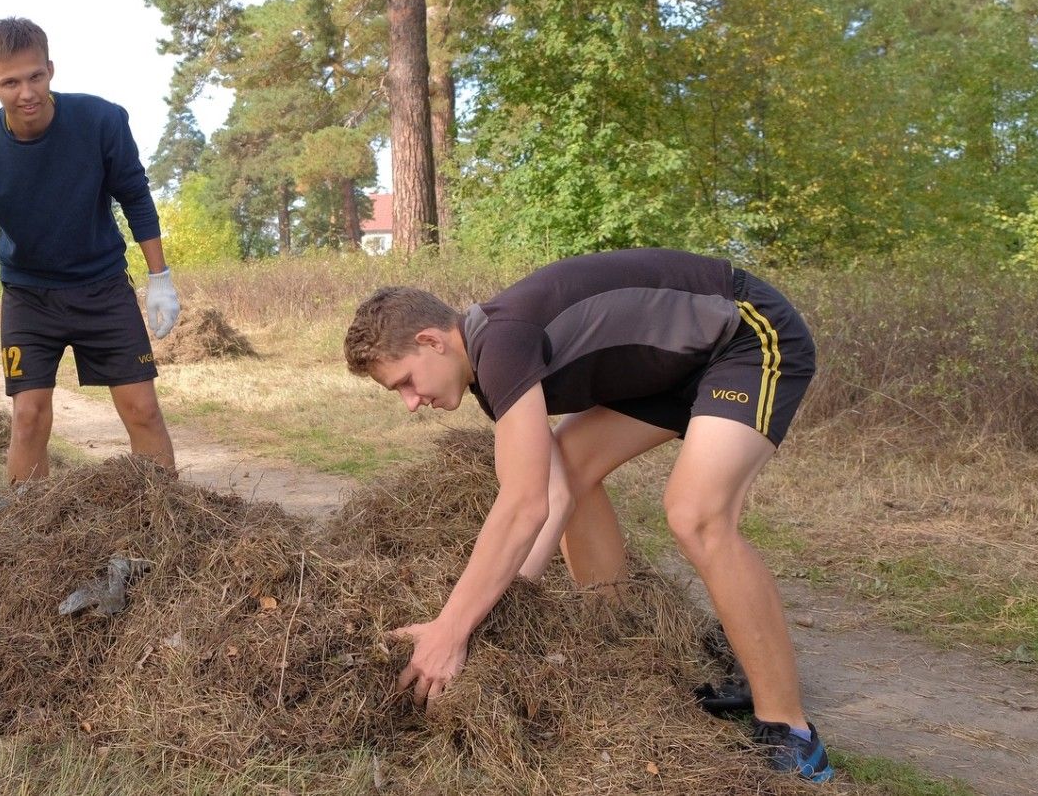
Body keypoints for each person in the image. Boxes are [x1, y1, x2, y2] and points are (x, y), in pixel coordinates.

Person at [343, 248, 835, 783]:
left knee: (696, 516)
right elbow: (549, 493)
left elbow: (523, 503)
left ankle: (789, 726)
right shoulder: (488, 365)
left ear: (431, 341)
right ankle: (616, 636)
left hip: (745, 333)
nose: (411, 402)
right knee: (573, 465)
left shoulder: (501, 343)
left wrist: (450, 630)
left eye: (406, 383)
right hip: (677, 367)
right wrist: (505, 609)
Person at [0, 17, 180, 486]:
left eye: (35, 76)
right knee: (28, 416)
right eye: (10, 82)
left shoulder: (101, 121)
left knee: (144, 410)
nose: (26, 92)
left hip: (103, 289)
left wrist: (160, 278)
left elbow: (135, 196)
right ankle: (25, 540)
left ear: (50, 69)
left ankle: (162, 528)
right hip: (29, 298)